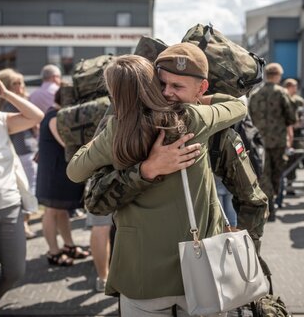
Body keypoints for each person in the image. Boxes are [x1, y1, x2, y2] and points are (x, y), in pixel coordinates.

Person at [67, 49, 247, 316]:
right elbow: (239, 105)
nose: (167, 92)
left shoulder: (116, 131)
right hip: (199, 272)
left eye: (175, 86)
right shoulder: (195, 119)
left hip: (141, 273)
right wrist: (199, 99)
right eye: (163, 84)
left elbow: (74, 171)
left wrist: (137, 161)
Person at [0, 77, 44, 314]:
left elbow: (36, 116)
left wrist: (6, 94)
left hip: (10, 207)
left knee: (15, 272)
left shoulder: (1, 120)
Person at [36, 89, 89, 266]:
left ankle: (68, 246)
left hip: (58, 171)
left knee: (62, 211)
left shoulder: (55, 113)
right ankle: (53, 252)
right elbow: (66, 143)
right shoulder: (55, 116)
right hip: (53, 172)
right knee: (51, 211)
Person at [248, 63, 296, 221]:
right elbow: (291, 117)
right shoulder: (281, 93)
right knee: (276, 174)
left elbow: (249, 118)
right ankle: (272, 205)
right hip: (278, 141)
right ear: (278, 76)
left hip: (259, 141)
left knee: (264, 175)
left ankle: (269, 206)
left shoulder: (255, 94)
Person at [283, 78, 304, 196]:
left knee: (296, 156)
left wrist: (298, 123)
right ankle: (283, 185)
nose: (296, 89)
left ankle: (290, 184)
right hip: (283, 133)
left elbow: (303, 116)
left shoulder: (299, 101)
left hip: (296, 134)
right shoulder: (282, 98)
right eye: (294, 86)